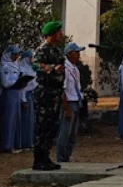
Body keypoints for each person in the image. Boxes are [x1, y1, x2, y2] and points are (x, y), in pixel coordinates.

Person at [32, 21, 65, 170]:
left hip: (56, 93)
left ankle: (46, 157)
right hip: (45, 93)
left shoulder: (57, 51)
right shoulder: (42, 50)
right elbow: (35, 64)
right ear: (51, 34)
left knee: (52, 125)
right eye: (58, 32)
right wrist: (52, 68)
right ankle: (39, 159)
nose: (61, 34)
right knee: (42, 126)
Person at [56, 43, 85, 162]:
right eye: (76, 52)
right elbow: (63, 90)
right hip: (69, 102)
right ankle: (61, 157)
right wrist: (66, 108)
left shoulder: (75, 68)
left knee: (73, 133)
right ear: (69, 54)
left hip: (76, 101)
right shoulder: (65, 69)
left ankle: (67, 156)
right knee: (65, 132)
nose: (79, 55)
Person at [0, 45, 22, 153]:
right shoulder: (5, 66)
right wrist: (16, 82)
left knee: (15, 119)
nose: (16, 56)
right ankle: (6, 145)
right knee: (8, 119)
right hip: (9, 93)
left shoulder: (15, 64)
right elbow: (5, 82)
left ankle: (12, 143)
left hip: (17, 92)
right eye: (14, 54)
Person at [20, 50, 38, 150]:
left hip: (31, 94)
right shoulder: (22, 69)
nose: (32, 59)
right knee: (26, 119)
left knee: (31, 120)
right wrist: (23, 99)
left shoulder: (30, 69)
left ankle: (30, 141)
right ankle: (25, 142)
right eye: (30, 57)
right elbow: (23, 86)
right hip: (25, 95)